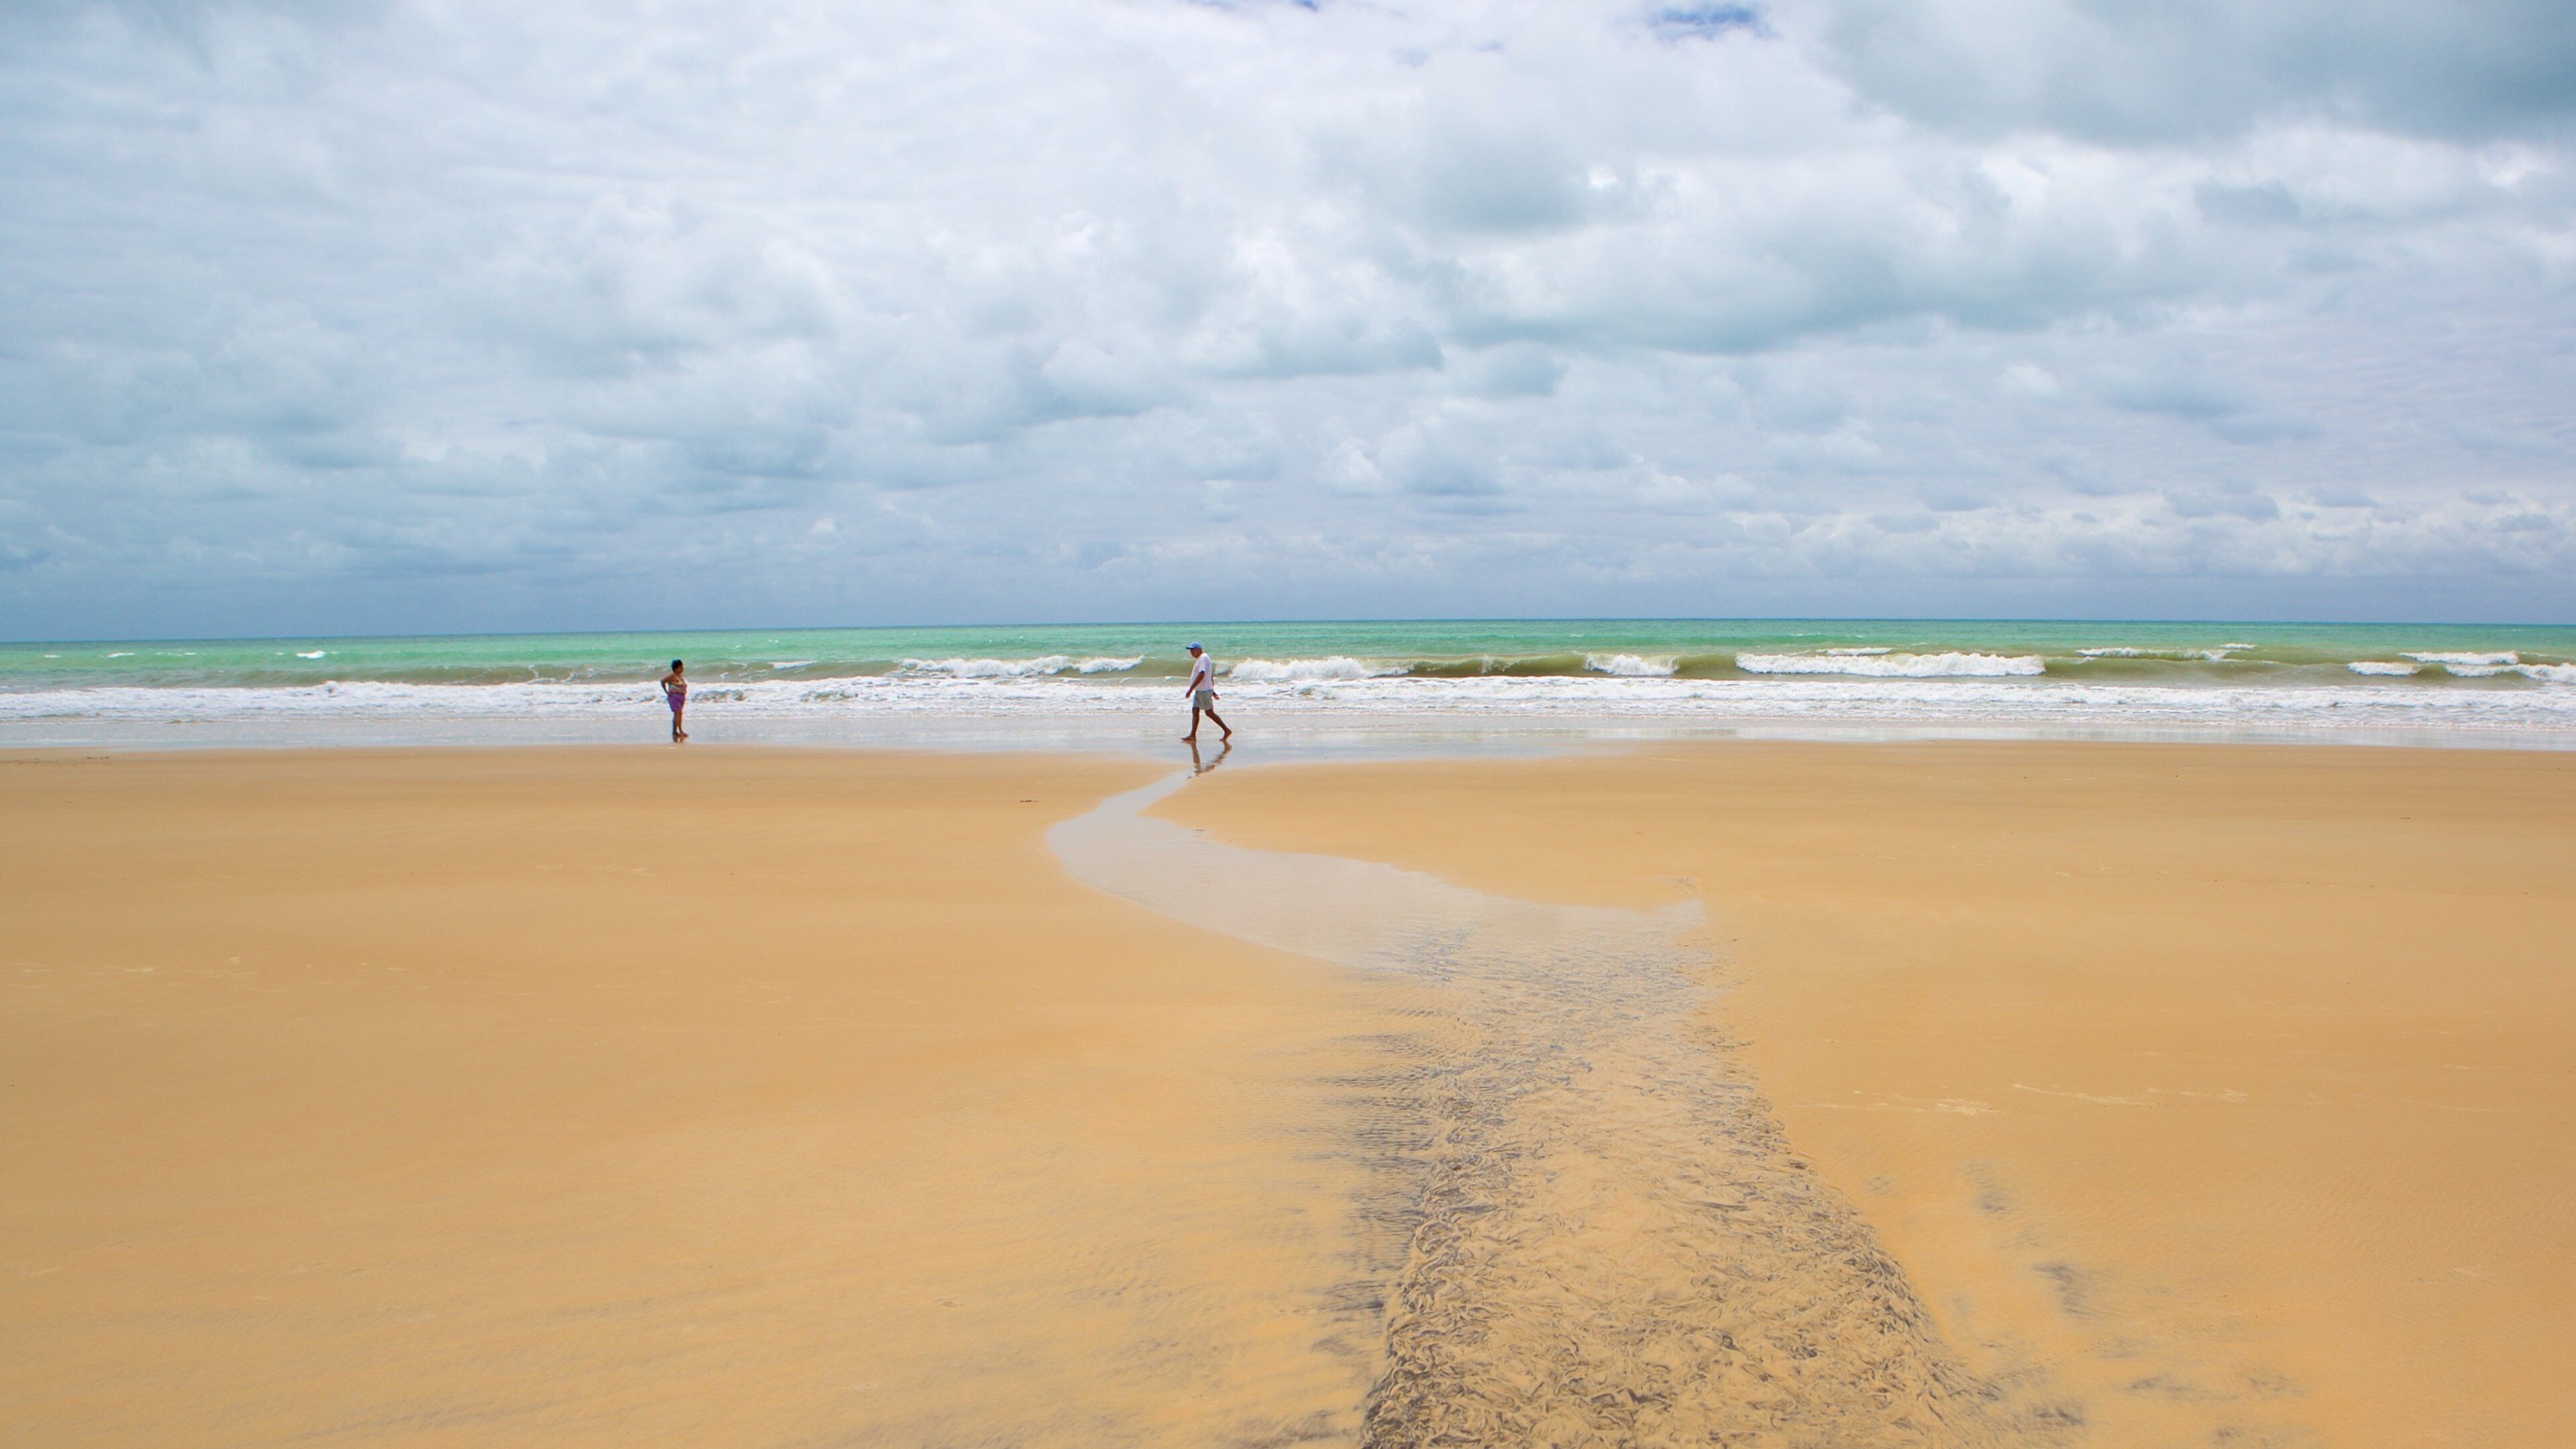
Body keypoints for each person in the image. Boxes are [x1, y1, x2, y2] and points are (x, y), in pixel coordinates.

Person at [1181, 642, 1231, 743]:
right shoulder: (1202, 659)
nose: (1191, 652)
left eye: (1193, 650)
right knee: (1195, 710)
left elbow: (1202, 673)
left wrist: (1191, 689)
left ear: (1199, 649)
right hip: (1201, 690)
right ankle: (1193, 735)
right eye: (1190, 650)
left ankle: (1227, 730)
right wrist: (1213, 691)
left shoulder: (1203, 657)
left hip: (1203, 691)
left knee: (1209, 712)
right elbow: (1210, 675)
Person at [659, 658, 689, 742]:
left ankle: (675, 732)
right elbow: (662, 681)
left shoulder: (680, 676)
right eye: (680, 667)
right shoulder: (672, 676)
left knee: (678, 714)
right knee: (678, 713)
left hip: (681, 696)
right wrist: (667, 692)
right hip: (674, 697)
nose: (682, 668)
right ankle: (680, 731)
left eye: (682, 667)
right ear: (676, 668)